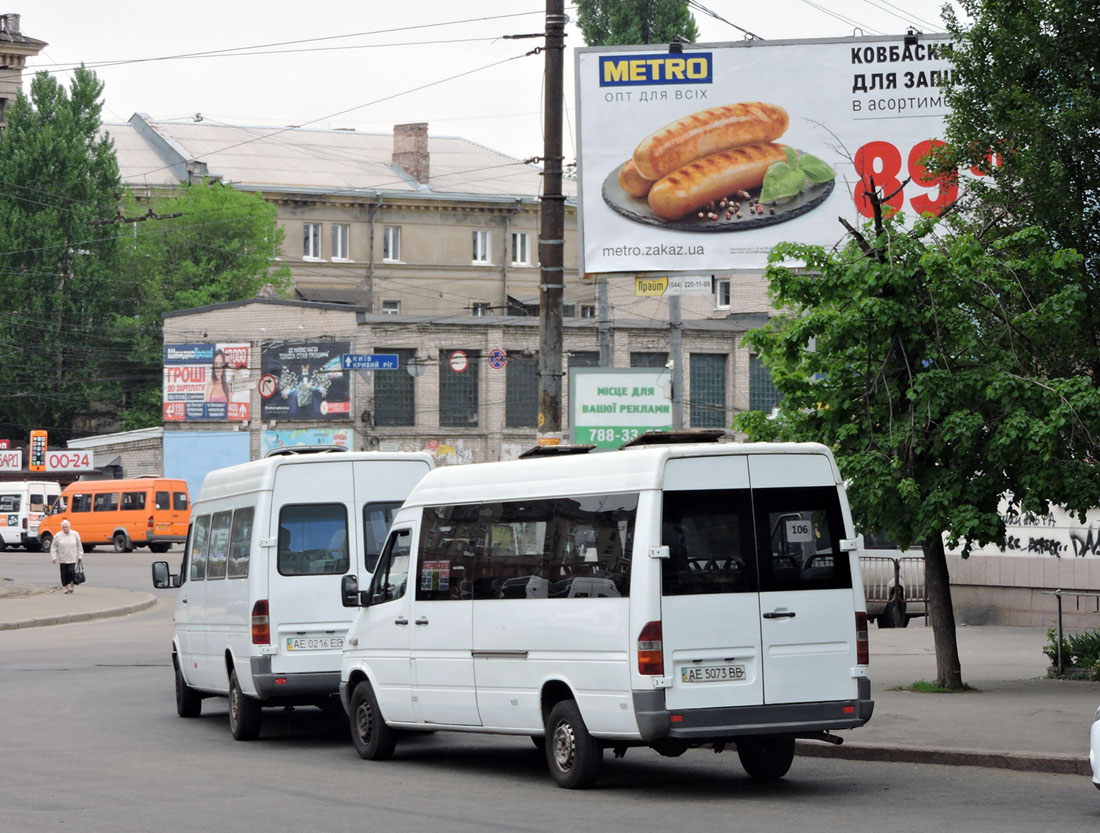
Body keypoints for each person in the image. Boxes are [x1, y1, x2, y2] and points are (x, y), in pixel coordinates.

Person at [50, 519, 83, 594]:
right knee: (64, 573)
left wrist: (80, 555)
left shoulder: (75, 534)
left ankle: (71, 585)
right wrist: (54, 557)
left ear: (69, 527)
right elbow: (53, 547)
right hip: (63, 558)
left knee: (71, 572)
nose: (65, 528)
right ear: (62, 528)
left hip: (72, 557)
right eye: (64, 527)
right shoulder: (58, 535)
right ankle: (65, 587)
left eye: (66, 527)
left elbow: (79, 546)